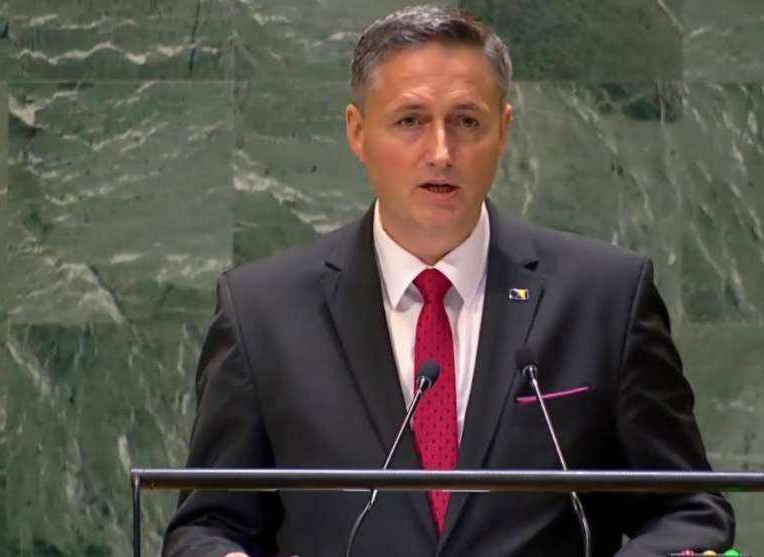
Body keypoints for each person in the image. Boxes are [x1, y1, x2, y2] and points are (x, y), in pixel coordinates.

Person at [162, 5, 735, 557]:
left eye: (466, 122)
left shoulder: (605, 298)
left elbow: (690, 510)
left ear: (503, 131)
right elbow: (208, 524)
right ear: (358, 132)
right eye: (410, 121)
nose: (441, 152)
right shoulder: (263, 311)